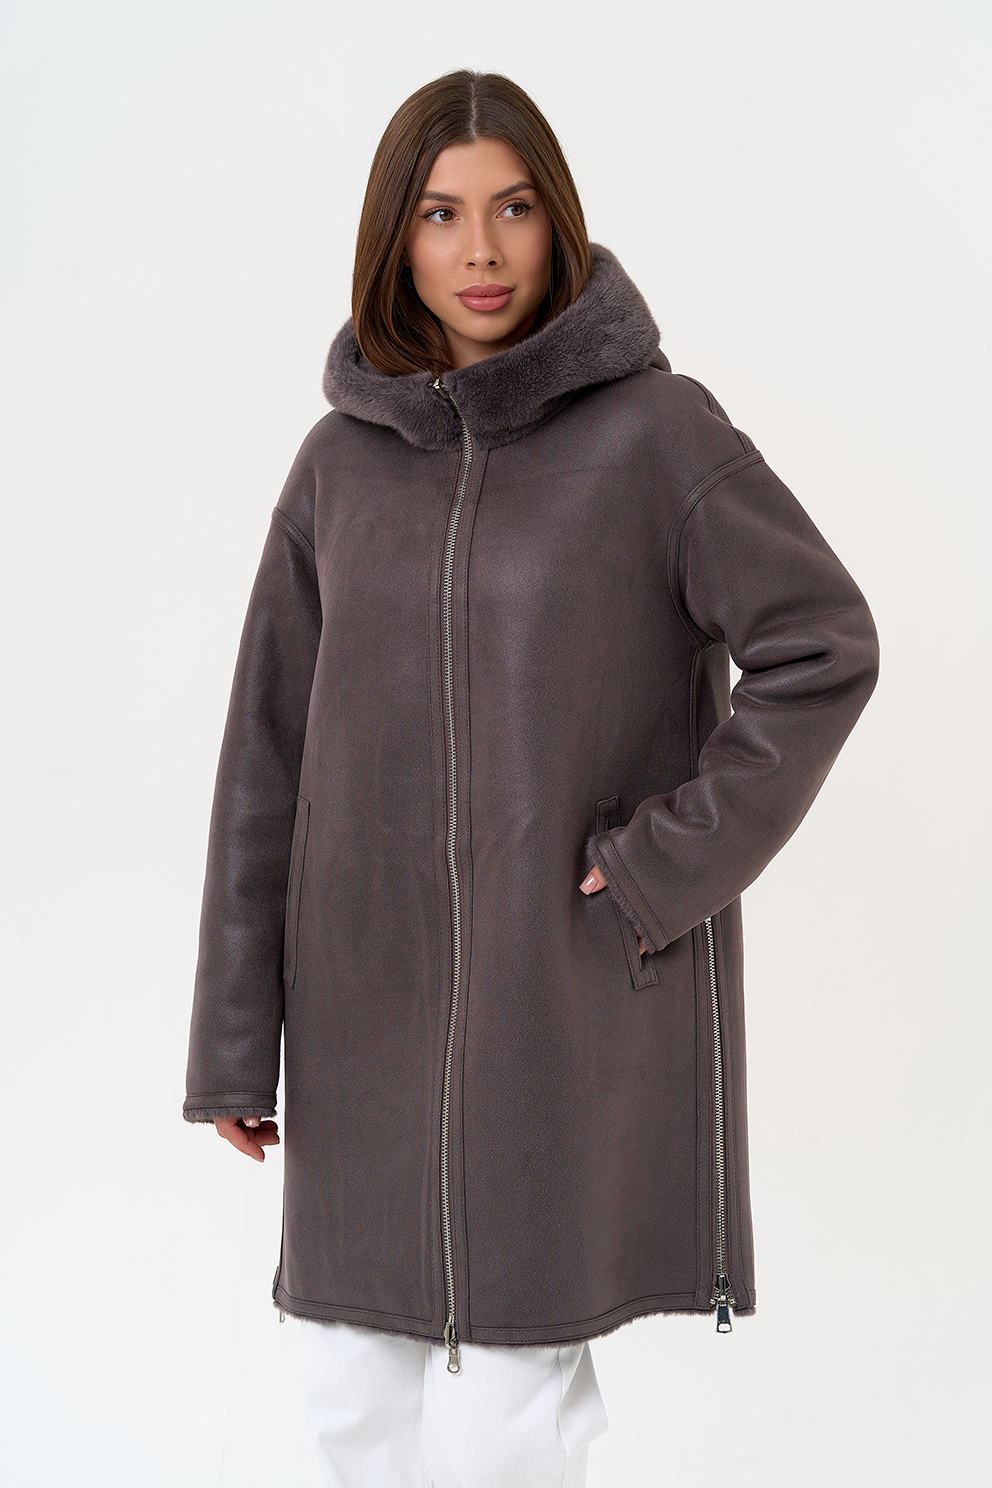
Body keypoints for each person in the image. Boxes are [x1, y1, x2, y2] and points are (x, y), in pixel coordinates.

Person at [183, 69, 879, 1488]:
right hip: (362, 1011)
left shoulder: (656, 435)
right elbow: (266, 751)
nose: (482, 251)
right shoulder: (336, 467)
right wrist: (233, 1039)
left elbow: (822, 646)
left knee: (506, 1412)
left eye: (512, 209)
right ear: (396, 239)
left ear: (558, 221)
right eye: (441, 215)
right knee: (351, 1397)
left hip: (555, 1006)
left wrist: (661, 864)